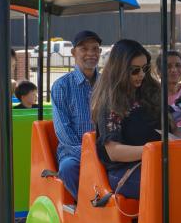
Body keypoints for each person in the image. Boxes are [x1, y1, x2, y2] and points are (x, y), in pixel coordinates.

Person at [91, 39, 161, 199]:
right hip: (125, 170)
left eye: (145, 68)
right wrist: (154, 150)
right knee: (168, 183)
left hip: (157, 163)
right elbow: (114, 151)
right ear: (120, 70)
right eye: (135, 71)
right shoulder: (109, 103)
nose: (142, 75)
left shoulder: (151, 92)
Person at [51, 30, 102, 199]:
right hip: (74, 152)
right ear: (74, 53)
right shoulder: (62, 86)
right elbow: (63, 131)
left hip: (107, 148)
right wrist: (89, 153)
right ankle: (86, 205)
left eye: (95, 49)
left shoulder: (108, 84)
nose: (90, 54)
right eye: (84, 49)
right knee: (68, 168)